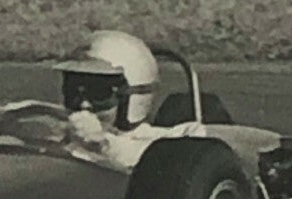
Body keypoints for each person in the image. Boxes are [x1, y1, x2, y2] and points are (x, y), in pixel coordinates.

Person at [52, 30, 195, 168]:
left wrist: (101, 144)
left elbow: (201, 151)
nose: (84, 104)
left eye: (99, 93)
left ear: (133, 95)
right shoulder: (59, 134)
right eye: (72, 91)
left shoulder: (162, 141)